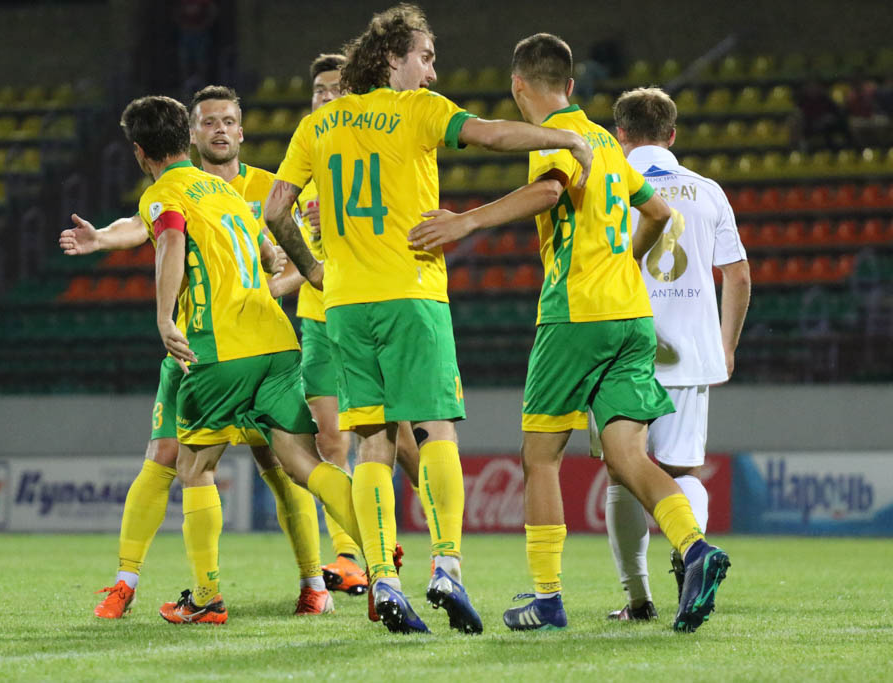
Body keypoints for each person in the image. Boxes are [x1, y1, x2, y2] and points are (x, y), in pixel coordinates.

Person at [263, 4, 593, 635]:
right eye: (426, 57)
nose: (433, 72)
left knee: (373, 442)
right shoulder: (418, 109)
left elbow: (277, 210)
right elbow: (491, 134)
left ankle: (384, 580)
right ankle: (446, 566)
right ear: (393, 58)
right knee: (436, 429)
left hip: (346, 305)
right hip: (411, 292)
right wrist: (564, 139)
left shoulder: (318, 124)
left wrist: (313, 270)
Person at [407, 33, 730, 634]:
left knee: (540, 456)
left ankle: (548, 598)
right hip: (631, 316)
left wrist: (465, 222)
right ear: (572, 85)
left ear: (517, 86)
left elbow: (550, 189)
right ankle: (695, 549)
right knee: (628, 456)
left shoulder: (553, 137)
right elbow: (659, 213)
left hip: (575, 314)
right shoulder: (604, 139)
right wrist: (625, 262)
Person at [62, 87, 335, 620]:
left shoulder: (268, 188)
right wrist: (103, 239)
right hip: (193, 349)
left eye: (228, 121)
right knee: (163, 456)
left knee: (277, 466)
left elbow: (299, 260)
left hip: (243, 345)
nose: (219, 129)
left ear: (241, 131)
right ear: (190, 134)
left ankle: (308, 582)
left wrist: (260, 293)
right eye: (209, 121)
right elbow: (143, 224)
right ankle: (125, 582)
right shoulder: (178, 188)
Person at [265, 52, 420, 601]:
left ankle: (437, 532)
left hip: (371, 313)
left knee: (402, 439)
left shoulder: (368, 156)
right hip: (319, 322)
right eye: (318, 91)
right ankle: (352, 556)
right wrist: (285, 276)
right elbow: (294, 259)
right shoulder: (302, 167)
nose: (326, 98)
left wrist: (328, 234)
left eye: (336, 89)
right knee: (331, 437)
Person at [593, 87, 750, 621]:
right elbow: (738, 276)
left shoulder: (611, 186)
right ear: (672, 134)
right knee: (682, 469)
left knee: (622, 468)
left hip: (622, 345)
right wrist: (725, 346)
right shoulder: (708, 191)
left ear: (620, 134)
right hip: (690, 351)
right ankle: (691, 558)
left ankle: (638, 599)